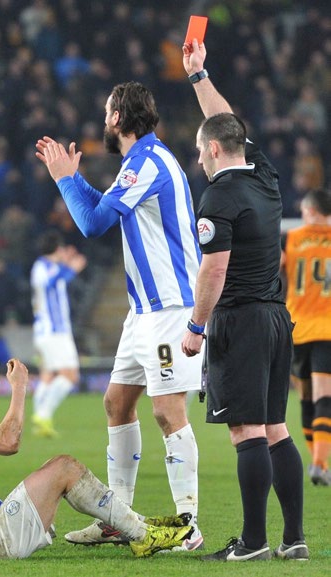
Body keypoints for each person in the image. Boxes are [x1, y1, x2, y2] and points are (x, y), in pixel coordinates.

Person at [35, 81, 203, 550]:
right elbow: (104, 207)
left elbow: (91, 224)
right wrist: (72, 177)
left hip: (170, 307)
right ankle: (118, 520)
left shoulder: (147, 162)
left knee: (168, 411)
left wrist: (63, 180)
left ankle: (189, 524)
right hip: (144, 311)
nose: (103, 117)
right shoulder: (140, 162)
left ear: (117, 118)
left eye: (106, 110)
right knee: (116, 403)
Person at [180, 40, 307, 561]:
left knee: (244, 429)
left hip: (241, 320)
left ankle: (252, 543)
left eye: (198, 147)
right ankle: (293, 540)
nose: (199, 154)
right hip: (278, 318)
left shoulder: (218, 198)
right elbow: (228, 123)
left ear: (210, 151)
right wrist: (198, 76)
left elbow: (214, 269)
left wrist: (195, 325)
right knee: (276, 426)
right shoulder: (265, 177)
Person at [0, 351, 194, 560]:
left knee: (56, 469)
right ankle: (141, 534)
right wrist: (19, 388)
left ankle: (137, 525)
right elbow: (8, 442)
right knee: (64, 467)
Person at [282, 188, 331, 486]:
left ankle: (318, 462)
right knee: (326, 396)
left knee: (306, 398)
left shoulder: (293, 239)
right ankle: (319, 464)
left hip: (296, 327)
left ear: (311, 210)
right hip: (327, 328)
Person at [30, 229, 87, 437]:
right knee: (71, 376)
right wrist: (72, 268)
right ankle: (43, 414)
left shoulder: (46, 266)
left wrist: (66, 264)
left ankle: (40, 420)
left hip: (45, 332)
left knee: (47, 375)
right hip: (55, 332)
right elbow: (52, 282)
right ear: (58, 248)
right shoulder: (43, 266)